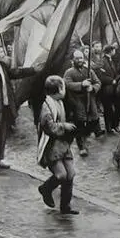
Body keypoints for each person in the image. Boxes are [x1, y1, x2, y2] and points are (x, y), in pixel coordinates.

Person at [0, 42, 38, 171]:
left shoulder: (2, 65)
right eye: (0, 51)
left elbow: (14, 73)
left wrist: (32, 70)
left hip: (6, 104)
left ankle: (1, 157)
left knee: (3, 133)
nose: (3, 53)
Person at [36, 76, 79, 215]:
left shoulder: (59, 102)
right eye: (63, 87)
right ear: (58, 90)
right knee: (61, 175)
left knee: (70, 173)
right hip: (51, 145)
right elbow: (48, 127)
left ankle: (65, 206)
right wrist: (64, 126)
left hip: (63, 144)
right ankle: (45, 188)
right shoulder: (46, 106)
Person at [63, 50, 102, 157]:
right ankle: (82, 147)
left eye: (81, 58)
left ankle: (87, 135)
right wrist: (82, 84)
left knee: (94, 120)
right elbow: (68, 84)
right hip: (77, 101)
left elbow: (98, 82)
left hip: (90, 99)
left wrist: (92, 88)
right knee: (79, 124)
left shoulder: (89, 71)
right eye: (77, 58)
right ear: (73, 60)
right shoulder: (69, 72)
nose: (79, 60)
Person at [96, 45, 120, 133]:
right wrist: (112, 81)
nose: (115, 51)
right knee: (108, 109)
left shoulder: (111, 60)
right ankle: (109, 127)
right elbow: (100, 76)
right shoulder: (102, 61)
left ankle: (115, 125)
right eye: (114, 50)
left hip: (114, 89)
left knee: (117, 107)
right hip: (106, 89)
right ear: (111, 51)